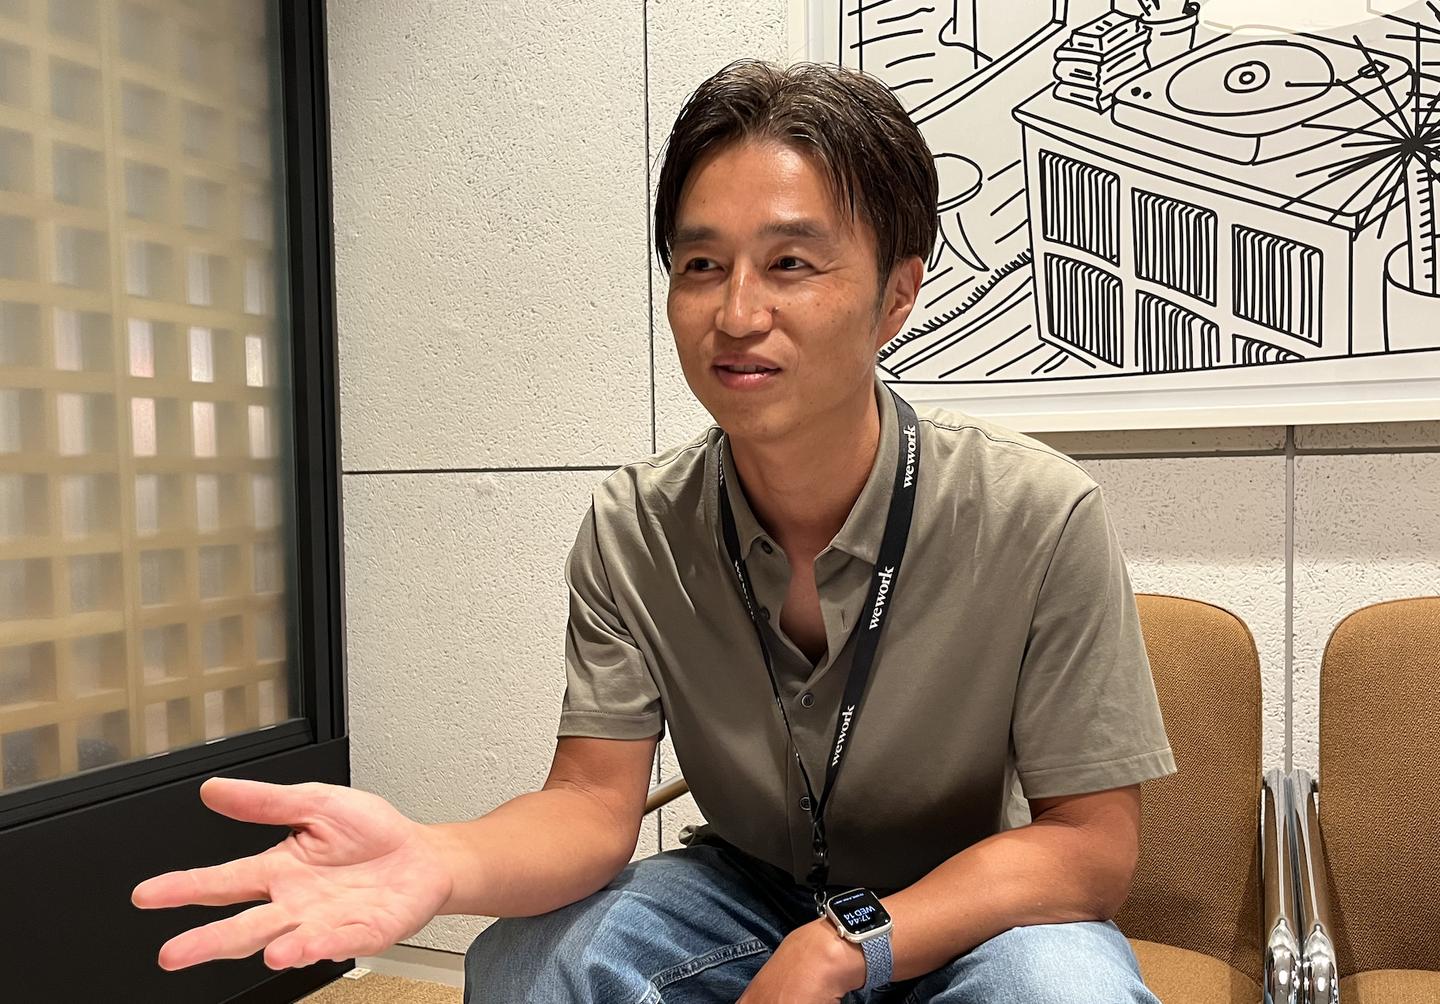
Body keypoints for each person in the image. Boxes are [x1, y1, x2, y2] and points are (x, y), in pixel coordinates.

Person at [132, 61, 1175, 1003]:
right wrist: (437, 859)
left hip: (963, 907)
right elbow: (591, 805)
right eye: (701, 264)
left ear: (897, 293)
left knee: (1067, 990)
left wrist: (841, 946)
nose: (737, 313)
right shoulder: (636, 527)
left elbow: (1090, 848)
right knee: (528, 962)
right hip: (747, 890)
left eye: (791, 263)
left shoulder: (1037, 513)